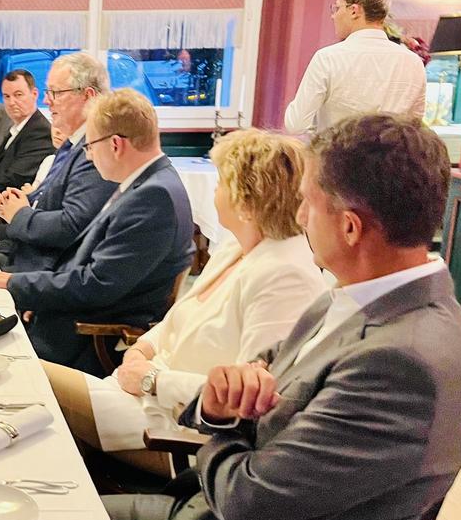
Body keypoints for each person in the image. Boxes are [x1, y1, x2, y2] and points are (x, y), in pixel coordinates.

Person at [104, 113, 461, 520]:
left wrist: (221, 429)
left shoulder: (402, 364)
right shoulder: (352, 297)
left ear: (349, 226)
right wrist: (220, 405)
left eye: (307, 203)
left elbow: (248, 501)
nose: (298, 217)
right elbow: (247, 384)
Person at [43, 128, 325, 472]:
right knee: (37, 418)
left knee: (34, 379)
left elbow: (248, 398)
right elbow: (178, 318)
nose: (215, 191)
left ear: (247, 200)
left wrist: (152, 380)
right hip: (140, 397)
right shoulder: (236, 248)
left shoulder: (286, 275)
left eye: (221, 183)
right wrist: (141, 349)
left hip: (176, 430)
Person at [0, 89, 194, 377]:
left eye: (90, 146)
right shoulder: (148, 182)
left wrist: (16, 283)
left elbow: (95, 285)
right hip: (68, 315)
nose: (89, 155)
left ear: (115, 145)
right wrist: (36, 294)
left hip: (85, 339)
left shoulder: (153, 197)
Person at [0, 52, 116, 272]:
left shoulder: (96, 149)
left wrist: (19, 214)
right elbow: (52, 202)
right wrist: (22, 202)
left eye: (55, 93)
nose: (46, 101)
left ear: (88, 96)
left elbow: (72, 225)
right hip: (27, 256)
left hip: (46, 272)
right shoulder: (73, 144)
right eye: (48, 92)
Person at [284, 0, 426, 135]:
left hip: (337, 150)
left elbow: (296, 124)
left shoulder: (328, 58)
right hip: (393, 151)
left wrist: (319, 133)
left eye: (337, 8)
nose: (333, 16)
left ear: (354, 11)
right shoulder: (413, 62)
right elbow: (414, 127)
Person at [0, 69, 54, 213]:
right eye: (7, 96)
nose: (12, 102)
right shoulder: (16, 128)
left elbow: (11, 180)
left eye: (18, 95)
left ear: (34, 94)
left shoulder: (40, 132)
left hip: (6, 212)